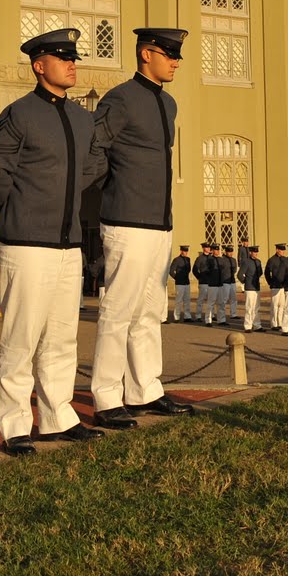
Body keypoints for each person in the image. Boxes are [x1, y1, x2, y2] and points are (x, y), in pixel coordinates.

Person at [0, 26, 107, 456]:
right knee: (21, 338)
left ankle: (57, 416)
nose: (72, 65)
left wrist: (62, 202)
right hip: (26, 243)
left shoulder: (82, 118)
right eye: (62, 58)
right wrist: (20, 210)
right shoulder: (18, 114)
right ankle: (15, 424)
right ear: (39, 65)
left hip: (69, 243)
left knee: (62, 338)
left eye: (73, 58)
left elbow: (93, 166)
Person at [87, 28, 194, 429]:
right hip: (126, 221)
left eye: (177, 55)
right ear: (147, 54)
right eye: (170, 55)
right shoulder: (119, 99)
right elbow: (95, 149)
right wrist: (114, 188)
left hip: (158, 222)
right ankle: (106, 397)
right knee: (118, 312)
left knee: (150, 312)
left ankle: (145, 390)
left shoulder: (168, 103)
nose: (176, 62)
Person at [240, 245, 264, 331]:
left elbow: (260, 273)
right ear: (250, 252)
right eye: (254, 252)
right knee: (249, 307)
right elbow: (240, 274)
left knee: (256, 307)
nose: (256, 254)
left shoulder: (258, 262)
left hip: (256, 287)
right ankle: (248, 326)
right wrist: (246, 281)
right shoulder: (246, 262)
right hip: (249, 288)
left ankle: (257, 325)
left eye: (257, 252)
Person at [167, 245, 193, 323]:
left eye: (187, 251)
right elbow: (171, 271)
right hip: (179, 283)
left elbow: (188, 270)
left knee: (187, 300)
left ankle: (187, 316)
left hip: (186, 282)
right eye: (184, 251)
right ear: (181, 251)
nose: (186, 252)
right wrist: (177, 278)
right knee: (178, 300)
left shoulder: (188, 259)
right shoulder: (176, 260)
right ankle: (176, 316)